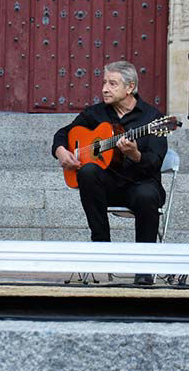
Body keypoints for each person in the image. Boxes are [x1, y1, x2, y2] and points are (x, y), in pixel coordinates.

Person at [52, 61, 168, 284]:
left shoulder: (153, 119)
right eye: (104, 82)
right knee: (87, 172)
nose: (105, 88)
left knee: (146, 195)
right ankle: (102, 249)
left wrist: (135, 155)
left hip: (139, 184)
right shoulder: (95, 113)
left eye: (112, 84)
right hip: (107, 187)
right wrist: (60, 151)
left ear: (130, 87)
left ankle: (144, 267)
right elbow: (64, 133)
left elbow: (154, 162)